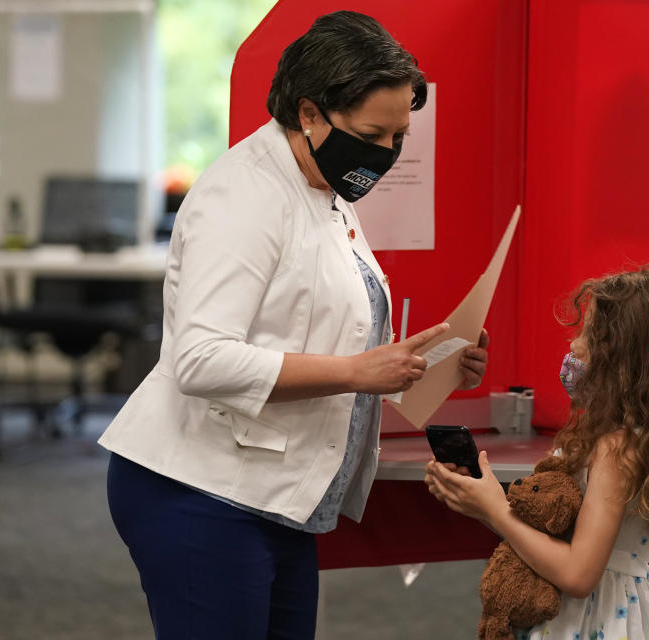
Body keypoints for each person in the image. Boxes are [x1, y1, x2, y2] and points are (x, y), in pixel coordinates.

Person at [99, 11, 489, 640]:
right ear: (309, 113)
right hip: (201, 491)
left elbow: (317, 342)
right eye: (372, 134)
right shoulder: (244, 194)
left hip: (275, 497)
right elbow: (199, 360)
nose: (386, 155)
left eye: (399, 138)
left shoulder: (323, 191)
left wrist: (421, 368)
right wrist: (357, 372)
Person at [425, 265, 649, 640]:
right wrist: (481, 500)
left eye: (588, 335)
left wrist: (494, 509)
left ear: (624, 359)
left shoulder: (617, 448)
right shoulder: (641, 437)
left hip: (590, 621)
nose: (575, 347)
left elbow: (578, 574)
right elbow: (566, 537)